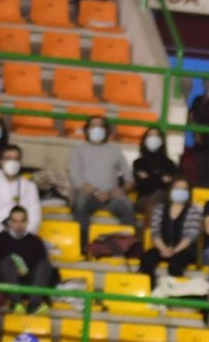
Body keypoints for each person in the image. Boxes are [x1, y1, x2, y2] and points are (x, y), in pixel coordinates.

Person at [69, 116, 135, 247]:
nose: (97, 129)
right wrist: (95, 192)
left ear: (106, 130)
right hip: (88, 194)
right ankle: (83, 246)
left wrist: (121, 190)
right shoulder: (78, 150)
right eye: (93, 126)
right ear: (87, 130)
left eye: (100, 126)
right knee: (80, 203)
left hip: (112, 195)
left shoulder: (115, 151)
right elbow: (76, 177)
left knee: (127, 206)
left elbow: (129, 178)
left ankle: (126, 246)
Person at [0, 206, 54, 315]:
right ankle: (17, 303)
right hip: (6, 284)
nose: (18, 225)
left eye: (22, 221)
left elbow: (42, 268)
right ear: (9, 222)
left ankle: (34, 304)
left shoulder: (35, 241)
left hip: (29, 282)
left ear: (27, 222)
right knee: (7, 262)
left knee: (44, 264)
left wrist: (24, 270)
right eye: (15, 221)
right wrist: (13, 269)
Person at [138, 176, 202, 286]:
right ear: (171, 190)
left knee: (176, 264)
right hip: (162, 247)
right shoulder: (160, 209)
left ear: (189, 192)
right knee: (146, 259)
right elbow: (155, 232)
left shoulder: (194, 210)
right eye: (177, 188)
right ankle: (151, 290)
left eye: (184, 189)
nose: (180, 191)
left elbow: (191, 235)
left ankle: (173, 296)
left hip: (184, 250)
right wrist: (163, 249)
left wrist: (175, 250)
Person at [0, 145, 40, 247]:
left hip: (21, 232)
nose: (12, 163)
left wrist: (24, 234)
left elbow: (35, 216)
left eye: (16, 159)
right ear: (0, 161)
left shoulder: (29, 186)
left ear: (20, 163)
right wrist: (3, 231)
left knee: (41, 248)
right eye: (8, 159)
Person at [132, 127, 178, 217]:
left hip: (163, 199)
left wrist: (148, 177)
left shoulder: (170, 163)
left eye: (156, 136)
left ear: (161, 141)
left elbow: (170, 185)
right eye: (150, 136)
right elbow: (141, 185)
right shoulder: (138, 163)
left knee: (159, 195)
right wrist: (160, 177)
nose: (153, 138)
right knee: (152, 202)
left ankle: (148, 230)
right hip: (143, 199)